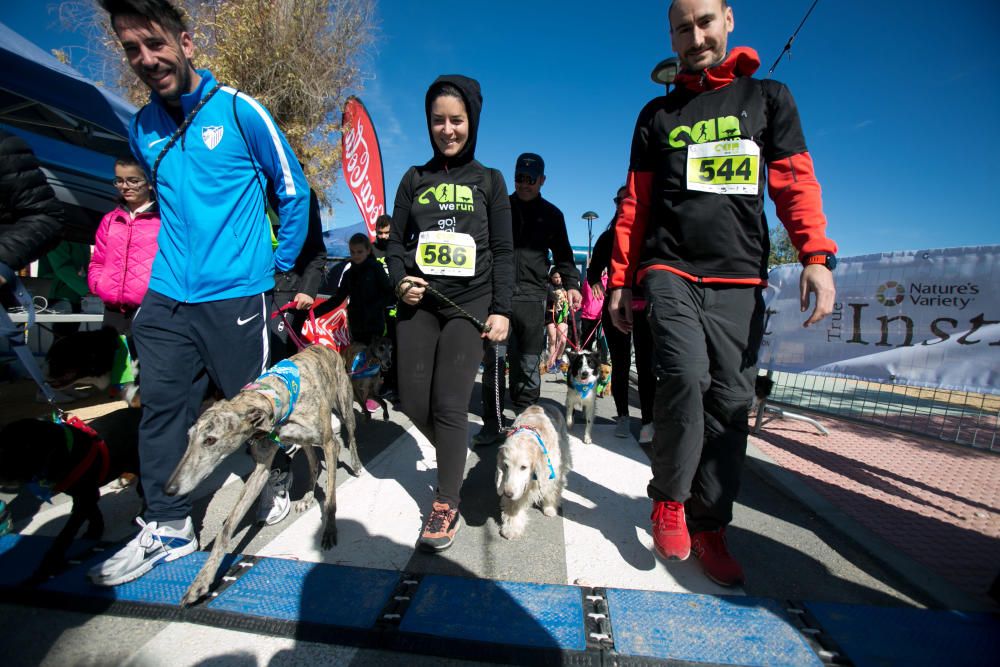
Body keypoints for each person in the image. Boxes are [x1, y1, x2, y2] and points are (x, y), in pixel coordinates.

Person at [608, 0, 837, 587]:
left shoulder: (769, 100)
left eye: (704, 21)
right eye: (682, 27)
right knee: (683, 377)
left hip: (739, 278)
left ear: (728, 19)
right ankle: (669, 499)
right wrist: (618, 280)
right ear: (671, 34)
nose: (695, 35)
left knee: (731, 405)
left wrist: (815, 255)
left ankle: (711, 524)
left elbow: (794, 181)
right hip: (670, 268)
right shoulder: (655, 115)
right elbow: (634, 206)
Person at [89, 0, 309, 587]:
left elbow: (293, 190)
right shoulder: (141, 129)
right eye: (132, 49)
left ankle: (277, 473)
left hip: (238, 293)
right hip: (167, 295)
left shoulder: (240, 112)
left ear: (185, 42)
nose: (145, 58)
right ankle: (168, 525)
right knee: (162, 406)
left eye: (154, 43)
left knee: (250, 407)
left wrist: (275, 268)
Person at [386, 74, 512, 551]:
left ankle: (446, 501)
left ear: (471, 122)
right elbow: (395, 244)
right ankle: (455, 461)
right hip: (421, 302)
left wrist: (501, 310)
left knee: (450, 403)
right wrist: (400, 279)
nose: (447, 129)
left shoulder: (490, 181)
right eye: (438, 120)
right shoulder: (413, 180)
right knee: (413, 402)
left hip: (471, 305)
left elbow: (503, 250)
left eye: (456, 120)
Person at [473, 152, 580, 446]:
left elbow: (564, 256)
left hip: (533, 301)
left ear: (542, 180)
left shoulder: (553, 215)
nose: (524, 184)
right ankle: (492, 424)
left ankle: (525, 427)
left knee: (528, 368)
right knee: (495, 363)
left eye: (530, 179)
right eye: (519, 178)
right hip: (499, 299)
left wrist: (572, 284)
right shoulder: (500, 208)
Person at [589, 186, 656, 442]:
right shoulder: (608, 238)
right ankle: (623, 416)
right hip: (616, 308)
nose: (624, 204)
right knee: (620, 362)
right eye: (620, 200)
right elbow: (594, 270)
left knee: (647, 366)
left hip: (645, 308)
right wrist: (595, 281)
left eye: (630, 200)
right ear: (616, 203)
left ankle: (649, 420)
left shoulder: (650, 235)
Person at [88, 155, 160, 337]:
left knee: (147, 363)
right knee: (116, 363)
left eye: (133, 180)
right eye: (119, 180)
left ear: (149, 183)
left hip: (151, 308)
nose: (125, 186)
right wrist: (98, 285)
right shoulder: (110, 219)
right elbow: (98, 260)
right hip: (113, 309)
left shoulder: (163, 219)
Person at [318, 233, 393, 346]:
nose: (356, 255)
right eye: (353, 252)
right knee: (358, 358)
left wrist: (375, 307)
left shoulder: (376, 268)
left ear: (368, 251)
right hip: (356, 326)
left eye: (359, 252)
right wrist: (315, 312)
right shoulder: (349, 274)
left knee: (374, 359)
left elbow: (389, 293)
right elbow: (337, 299)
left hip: (375, 325)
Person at [543, 268, 569, 373]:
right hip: (550, 315)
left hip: (562, 315)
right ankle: (551, 363)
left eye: (559, 277)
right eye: (555, 277)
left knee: (562, 340)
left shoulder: (566, 286)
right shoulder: (548, 287)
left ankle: (558, 359)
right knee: (552, 339)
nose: (558, 279)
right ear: (551, 277)